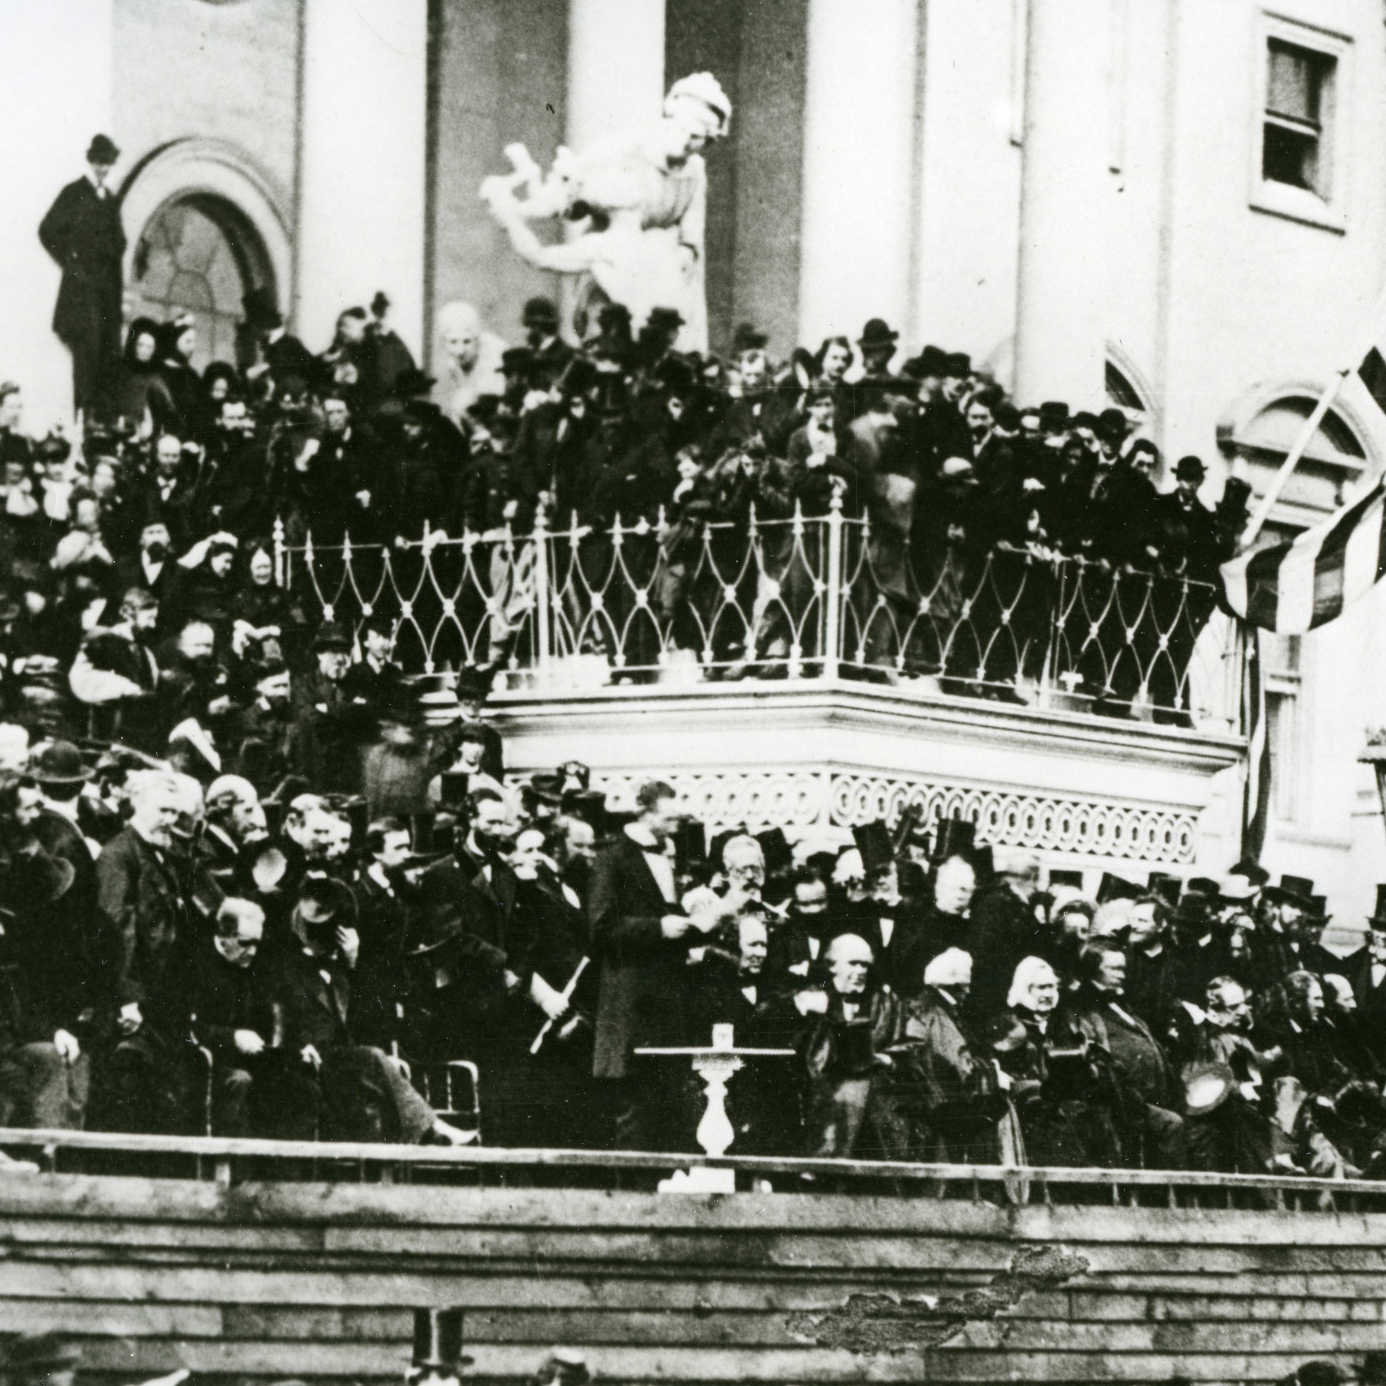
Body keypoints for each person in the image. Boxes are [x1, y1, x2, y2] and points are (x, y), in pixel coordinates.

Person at [38, 135, 126, 419]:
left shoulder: (110, 200)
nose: (104, 168)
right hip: (82, 293)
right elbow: (47, 229)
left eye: (108, 163)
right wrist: (71, 261)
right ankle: (83, 420)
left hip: (106, 293)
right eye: (100, 162)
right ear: (91, 161)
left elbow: (119, 243)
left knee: (106, 355)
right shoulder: (74, 193)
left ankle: (102, 421)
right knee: (86, 355)